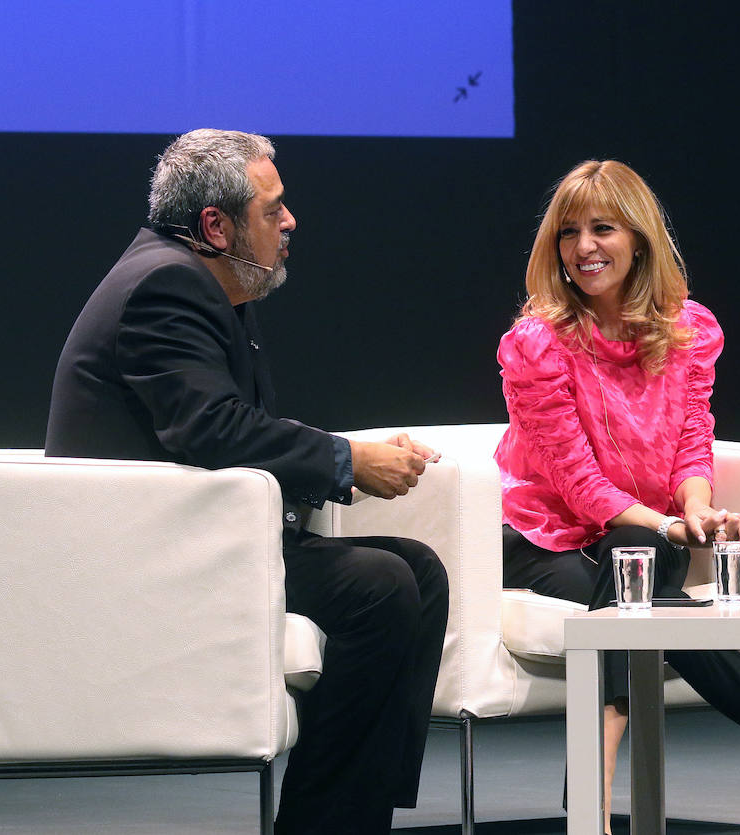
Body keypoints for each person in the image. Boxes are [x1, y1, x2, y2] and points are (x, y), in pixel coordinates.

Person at [46, 129, 449, 835]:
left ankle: (355, 816)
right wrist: (346, 459)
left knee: (420, 572)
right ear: (215, 225)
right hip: (147, 554)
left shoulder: (210, 284)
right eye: (273, 208)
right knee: (382, 587)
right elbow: (212, 429)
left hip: (199, 535)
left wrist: (349, 460)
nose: (290, 221)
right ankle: (322, 824)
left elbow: (224, 428)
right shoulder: (164, 286)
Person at [493, 159, 740, 835]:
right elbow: (580, 486)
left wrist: (697, 506)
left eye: (603, 228)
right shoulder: (537, 344)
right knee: (635, 575)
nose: (583, 246)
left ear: (639, 237)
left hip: (638, 536)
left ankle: (591, 803)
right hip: (544, 536)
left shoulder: (686, 331)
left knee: (633, 567)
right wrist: (676, 531)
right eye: (569, 232)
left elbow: (691, 438)